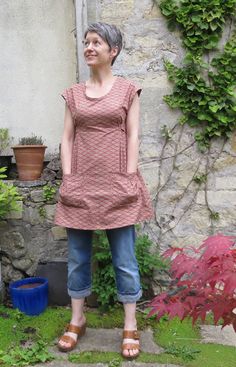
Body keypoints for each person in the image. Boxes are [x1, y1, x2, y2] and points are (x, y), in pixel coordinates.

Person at [54, 21, 154, 359]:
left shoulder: (128, 90)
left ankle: (130, 325)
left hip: (118, 183)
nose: (89, 47)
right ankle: (77, 319)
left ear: (114, 50)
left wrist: (128, 176)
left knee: (124, 259)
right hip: (81, 184)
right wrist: (68, 177)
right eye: (86, 41)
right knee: (78, 259)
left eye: (97, 42)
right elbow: (66, 138)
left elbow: (133, 135)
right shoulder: (73, 94)